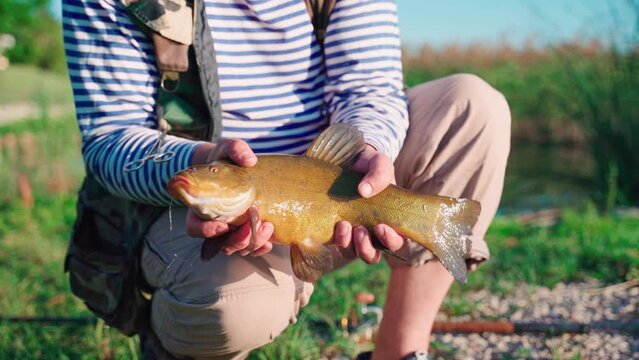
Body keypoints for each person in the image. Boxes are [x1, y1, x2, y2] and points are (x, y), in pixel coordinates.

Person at [62, 0, 510, 358]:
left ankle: (401, 352)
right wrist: (201, 159)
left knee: (471, 105)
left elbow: (368, 87)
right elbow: (110, 137)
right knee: (230, 308)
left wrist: (370, 149)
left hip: (334, 191)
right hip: (187, 220)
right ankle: (176, 343)